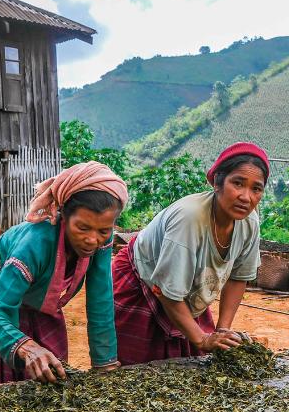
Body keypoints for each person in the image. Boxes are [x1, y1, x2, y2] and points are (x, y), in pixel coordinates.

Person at [0, 162, 128, 386]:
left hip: (42, 298)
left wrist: (104, 364)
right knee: (0, 375)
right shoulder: (35, 244)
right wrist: (26, 347)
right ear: (63, 216)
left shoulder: (102, 241)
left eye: (103, 231)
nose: (92, 240)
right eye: (82, 228)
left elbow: (101, 301)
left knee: (52, 367)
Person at [112, 142, 268, 364]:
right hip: (143, 280)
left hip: (187, 288)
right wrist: (202, 339)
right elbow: (165, 291)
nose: (246, 197)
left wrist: (222, 329)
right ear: (216, 183)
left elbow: (238, 277)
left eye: (256, 188)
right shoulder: (189, 220)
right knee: (141, 367)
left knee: (192, 363)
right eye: (238, 183)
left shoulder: (249, 222)